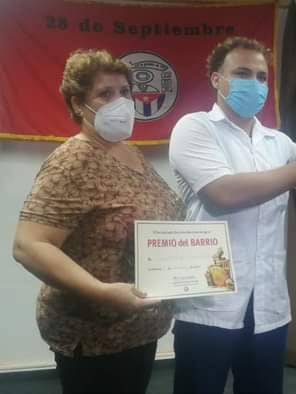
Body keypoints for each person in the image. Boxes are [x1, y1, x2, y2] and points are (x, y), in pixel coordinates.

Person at [169, 36, 296, 394]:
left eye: (261, 76)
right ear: (216, 79)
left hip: (269, 302)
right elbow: (222, 194)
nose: (254, 83)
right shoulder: (194, 127)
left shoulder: (278, 141)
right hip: (209, 301)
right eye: (242, 73)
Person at [12, 49, 183, 394]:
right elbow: (28, 245)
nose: (120, 102)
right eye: (105, 94)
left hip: (138, 327)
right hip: (94, 334)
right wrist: (103, 293)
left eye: (125, 93)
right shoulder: (74, 158)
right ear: (77, 104)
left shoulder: (129, 151)